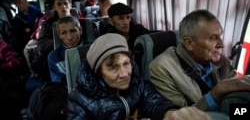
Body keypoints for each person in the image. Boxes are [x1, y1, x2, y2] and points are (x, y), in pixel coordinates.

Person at [67, 33, 212, 120]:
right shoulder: (79, 99)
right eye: (113, 67)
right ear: (98, 72)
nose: (124, 74)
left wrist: (171, 114)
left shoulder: (137, 83)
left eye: (126, 63)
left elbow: (156, 103)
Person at [149, 9, 250, 112]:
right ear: (189, 43)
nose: (222, 44)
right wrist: (217, 92)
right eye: (213, 38)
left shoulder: (221, 61)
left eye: (220, 36)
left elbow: (237, 99)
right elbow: (180, 116)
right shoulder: (162, 69)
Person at [36, 0, 73, 82]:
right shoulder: (47, 24)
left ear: (70, 5)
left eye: (65, 3)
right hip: (58, 57)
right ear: (54, 7)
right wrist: (64, 41)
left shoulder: (81, 23)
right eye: (59, 4)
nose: (63, 7)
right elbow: (41, 46)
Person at [47, 16, 89, 84]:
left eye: (73, 31)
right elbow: (59, 85)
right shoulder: (54, 58)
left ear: (80, 31)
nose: (69, 37)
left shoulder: (93, 48)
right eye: (64, 33)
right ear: (59, 35)